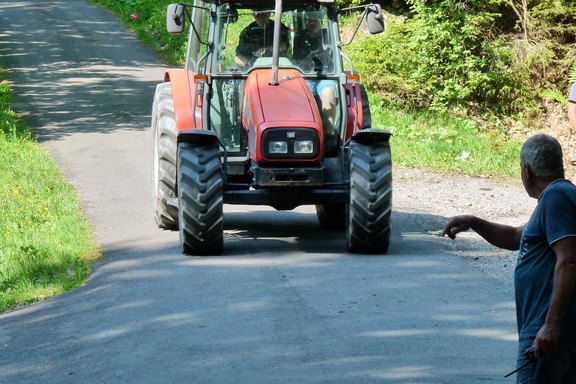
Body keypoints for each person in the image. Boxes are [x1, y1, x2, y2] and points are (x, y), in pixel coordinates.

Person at [443, 134, 576, 383]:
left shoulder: (556, 198)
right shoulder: (557, 197)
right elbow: (516, 236)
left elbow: (568, 260)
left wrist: (551, 325)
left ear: (527, 171)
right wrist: (473, 222)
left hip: (545, 330)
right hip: (550, 329)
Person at [292, 10, 337, 137]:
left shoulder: (328, 36)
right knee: (303, 96)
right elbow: (296, 59)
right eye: (309, 20)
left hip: (326, 76)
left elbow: (335, 59)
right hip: (306, 76)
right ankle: (305, 133)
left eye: (315, 20)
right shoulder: (301, 37)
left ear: (321, 22)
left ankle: (329, 133)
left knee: (328, 92)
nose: (311, 23)